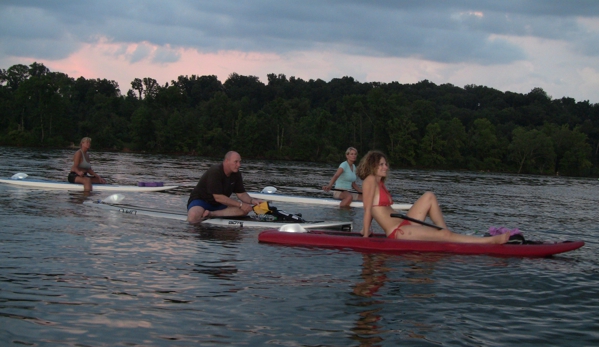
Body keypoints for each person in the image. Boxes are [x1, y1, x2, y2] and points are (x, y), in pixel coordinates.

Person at [357, 150, 510, 244]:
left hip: (405, 223)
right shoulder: (370, 180)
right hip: (398, 232)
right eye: (381, 164)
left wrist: (368, 229)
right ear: (372, 165)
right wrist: (365, 236)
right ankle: (490, 241)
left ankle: (445, 234)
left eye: (386, 164)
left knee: (429, 196)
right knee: (444, 234)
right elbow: (368, 209)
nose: (386, 167)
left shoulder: (380, 182)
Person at [187, 151, 262, 224]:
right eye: (236, 162)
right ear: (227, 161)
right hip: (201, 201)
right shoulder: (215, 171)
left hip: (219, 205)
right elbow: (218, 197)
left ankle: (211, 214)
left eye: (240, 162)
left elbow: (241, 194)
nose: (239, 165)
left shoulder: (236, 174)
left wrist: (252, 201)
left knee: (245, 211)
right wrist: (241, 205)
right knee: (193, 216)